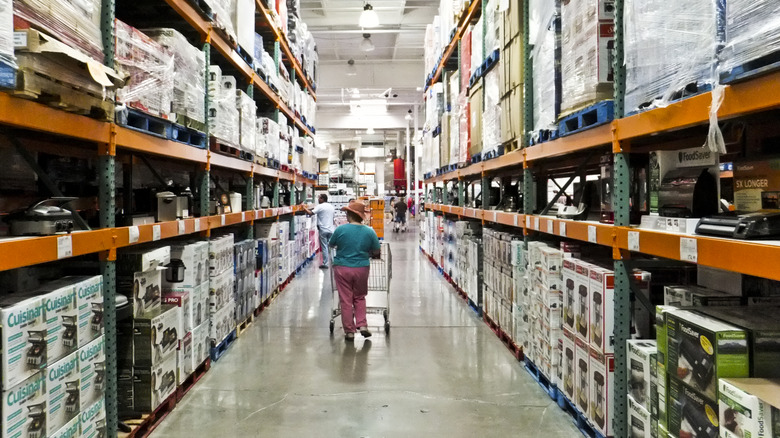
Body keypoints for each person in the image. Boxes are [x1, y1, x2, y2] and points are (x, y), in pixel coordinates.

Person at [329, 201, 381, 341]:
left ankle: (349, 331)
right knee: (359, 297)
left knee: (346, 300)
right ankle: (362, 325)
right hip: (361, 268)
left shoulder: (340, 230)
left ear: (350, 215)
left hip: (342, 268)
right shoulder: (369, 231)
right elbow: (376, 250)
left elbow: (331, 244)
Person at [304, 194, 335, 269]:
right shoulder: (331, 207)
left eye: (319, 198)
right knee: (331, 247)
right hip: (331, 229)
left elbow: (310, 213)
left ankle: (325, 263)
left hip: (323, 229)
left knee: (324, 247)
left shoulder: (320, 206)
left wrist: (303, 207)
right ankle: (334, 262)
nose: (318, 199)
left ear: (322, 199)